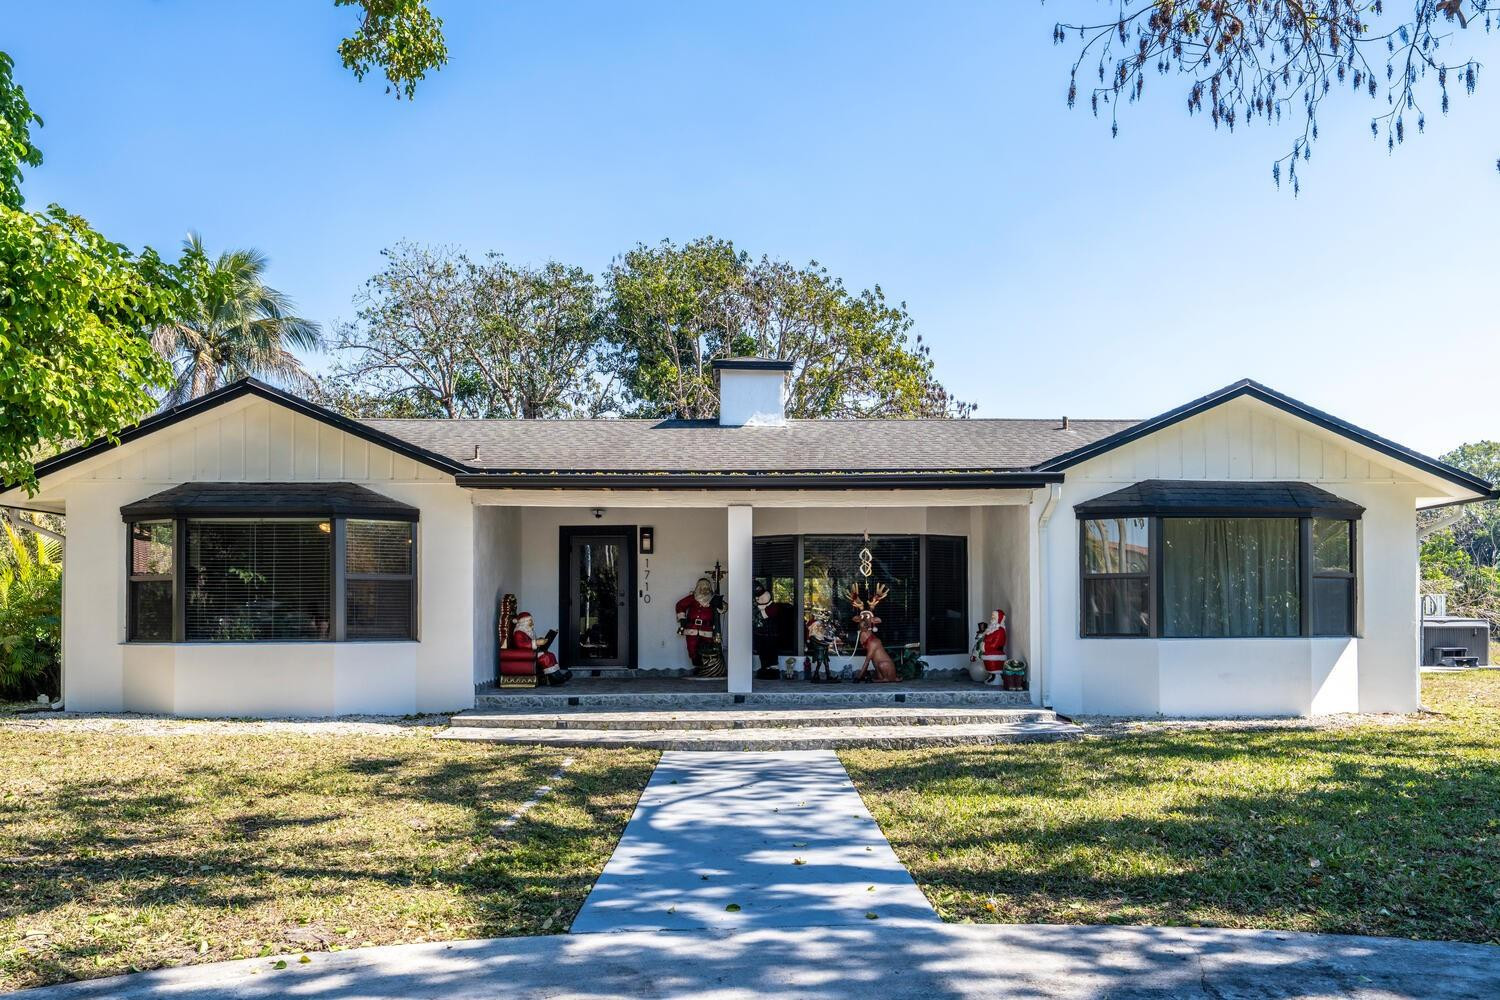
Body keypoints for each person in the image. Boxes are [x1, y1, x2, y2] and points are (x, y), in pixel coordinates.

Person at [512, 611, 569, 686]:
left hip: (532, 651)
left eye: (531, 620)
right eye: (529, 620)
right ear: (523, 622)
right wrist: (536, 643)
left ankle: (556, 676)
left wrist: (540, 641)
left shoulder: (529, 631)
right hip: (527, 654)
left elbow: (531, 640)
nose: (532, 622)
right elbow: (521, 645)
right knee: (545, 657)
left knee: (551, 654)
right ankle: (555, 678)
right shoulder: (518, 633)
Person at [675, 578, 718, 667]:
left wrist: (720, 603)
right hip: (692, 628)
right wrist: (682, 619)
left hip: (707, 629)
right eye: (702, 586)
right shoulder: (693, 598)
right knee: (692, 648)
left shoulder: (713, 599)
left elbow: (723, 608)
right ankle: (697, 666)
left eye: (706, 586)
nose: (704, 588)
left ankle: (706, 668)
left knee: (708, 648)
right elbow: (680, 605)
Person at [979, 609, 1007, 686]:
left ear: (999, 618)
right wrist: (982, 644)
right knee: (989, 665)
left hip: (995, 653)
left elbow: (996, 643)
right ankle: (992, 676)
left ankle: (996, 677)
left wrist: (985, 646)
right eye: (992, 616)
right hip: (989, 652)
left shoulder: (1000, 630)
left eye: (994, 616)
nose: (992, 618)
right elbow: (986, 639)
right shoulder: (991, 629)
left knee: (994, 666)